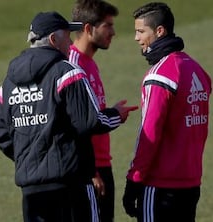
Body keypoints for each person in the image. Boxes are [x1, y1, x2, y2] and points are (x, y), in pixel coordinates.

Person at [0, 11, 137, 222]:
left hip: (31, 189)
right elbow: (89, 121)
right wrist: (116, 115)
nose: (71, 42)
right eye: (67, 36)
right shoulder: (67, 72)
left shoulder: (7, 83)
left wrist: (34, 158)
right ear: (53, 39)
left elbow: (4, 137)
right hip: (72, 184)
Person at [122, 2, 211, 221]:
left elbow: (149, 134)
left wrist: (134, 180)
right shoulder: (197, 70)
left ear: (159, 31)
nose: (136, 38)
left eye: (141, 31)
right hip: (191, 183)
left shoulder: (159, 76)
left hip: (160, 185)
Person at [69, 0, 120, 221]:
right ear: (88, 29)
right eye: (107, 26)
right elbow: (71, 123)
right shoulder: (71, 65)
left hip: (102, 165)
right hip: (87, 171)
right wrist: (90, 171)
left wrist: (114, 113)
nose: (113, 32)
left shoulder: (90, 63)